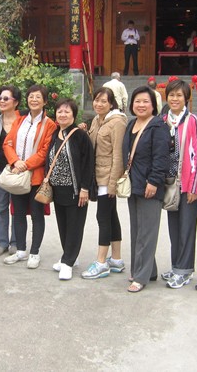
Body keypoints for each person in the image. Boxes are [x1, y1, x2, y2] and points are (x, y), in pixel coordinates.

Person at [2, 84, 57, 269]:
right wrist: (15, 161)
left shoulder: (49, 124)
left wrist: (25, 164)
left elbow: (45, 151)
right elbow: (7, 143)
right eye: (31, 96)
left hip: (36, 177)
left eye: (38, 97)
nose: (34, 100)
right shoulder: (19, 121)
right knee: (18, 214)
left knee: (36, 215)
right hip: (18, 175)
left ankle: (34, 252)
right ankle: (20, 251)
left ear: (45, 101)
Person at [122, 86, 170, 293]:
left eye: (145, 101)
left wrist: (154, 181)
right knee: (137, 230)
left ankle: (140, 276)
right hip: (133, 185)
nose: (141, 105)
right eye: (137, 101)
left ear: (153, 105)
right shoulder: (131, 124)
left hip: (149, 185)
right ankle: (147, 270)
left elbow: (161, 157)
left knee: (147, 232)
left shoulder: (158, 126)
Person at [160, 78, 197, 289]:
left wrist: (194, 186)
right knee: (174, 228)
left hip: (187, 184)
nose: (175, 99)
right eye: (171, 95)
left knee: (186, 228)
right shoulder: (163, 120)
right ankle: (176, 266)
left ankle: (184, 270)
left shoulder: (193, 121)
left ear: (186, 98)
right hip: (170, 184)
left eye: (179, 95)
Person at [81, 87, 127, 280]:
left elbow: (118, 155)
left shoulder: (117, 122)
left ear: (111, 104)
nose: (98, 104)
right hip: (98, 175)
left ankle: (101, 263)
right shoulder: (96, 119)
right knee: (111, 216)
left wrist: (112, 184)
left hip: (107, 177)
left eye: (103, 101)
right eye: (96, 100)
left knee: (103, 217)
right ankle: (116, 259)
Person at [47, 99, 94, 280]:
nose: (63, 114)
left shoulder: (80, 136)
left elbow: (88, 163)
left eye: (67, 111)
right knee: (63, 225)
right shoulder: (55, 133)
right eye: (59, 111)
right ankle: (69, 257)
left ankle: (67, 263)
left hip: (76, 190)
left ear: (74, 115)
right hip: (58, 189)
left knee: (75, 226)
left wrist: (85, 188)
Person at [0, 85, 21, 256]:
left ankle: (15, 242)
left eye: (5, 98)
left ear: (15, 102)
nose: (1, 101)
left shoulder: (23, 121)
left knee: (16, 208)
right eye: (0, 98)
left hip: (17, 172)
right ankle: (2, 243)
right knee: (0, 208)